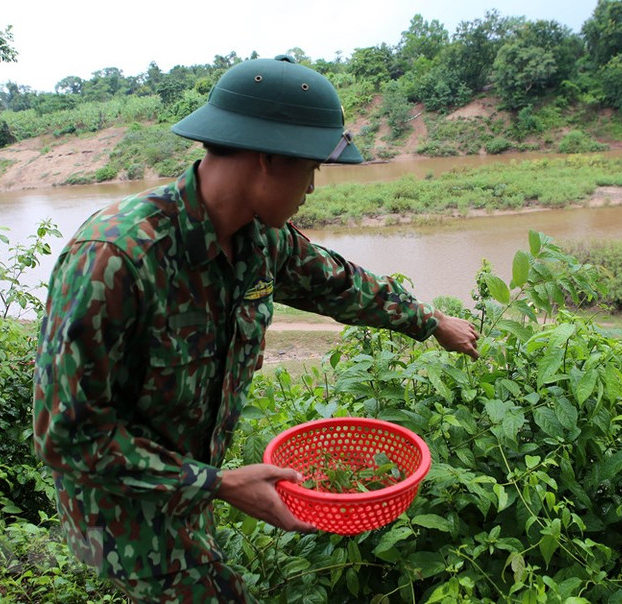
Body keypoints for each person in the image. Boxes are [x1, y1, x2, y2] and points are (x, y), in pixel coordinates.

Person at [32, 55, 479, 603]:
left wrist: (431, 321)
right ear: (268, 158)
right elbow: (68, 437)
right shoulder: (116, 257)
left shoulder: (259, 239)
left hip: (191, 491)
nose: (312, 187)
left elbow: (337, 283)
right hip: (120, 510)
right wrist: (220, 485)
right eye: (311, 169)